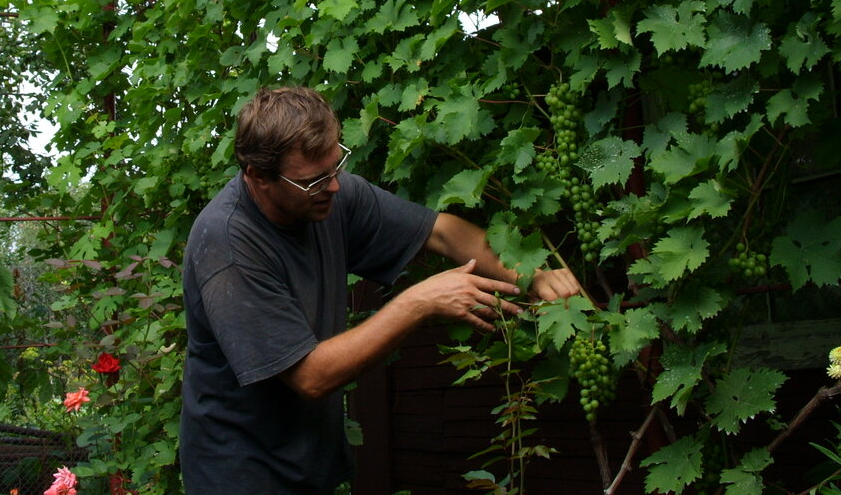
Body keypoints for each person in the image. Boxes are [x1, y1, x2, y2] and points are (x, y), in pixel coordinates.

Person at [179, 86, 580, 495]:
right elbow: (311, 376)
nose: (334, 186)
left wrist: (531, 276)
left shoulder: (329, 195)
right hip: (239, 476)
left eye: (336, 167)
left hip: (308, 462)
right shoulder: (228, 245)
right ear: (258, 177)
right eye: (314, 180)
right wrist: (419, 302)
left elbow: (442, 233)